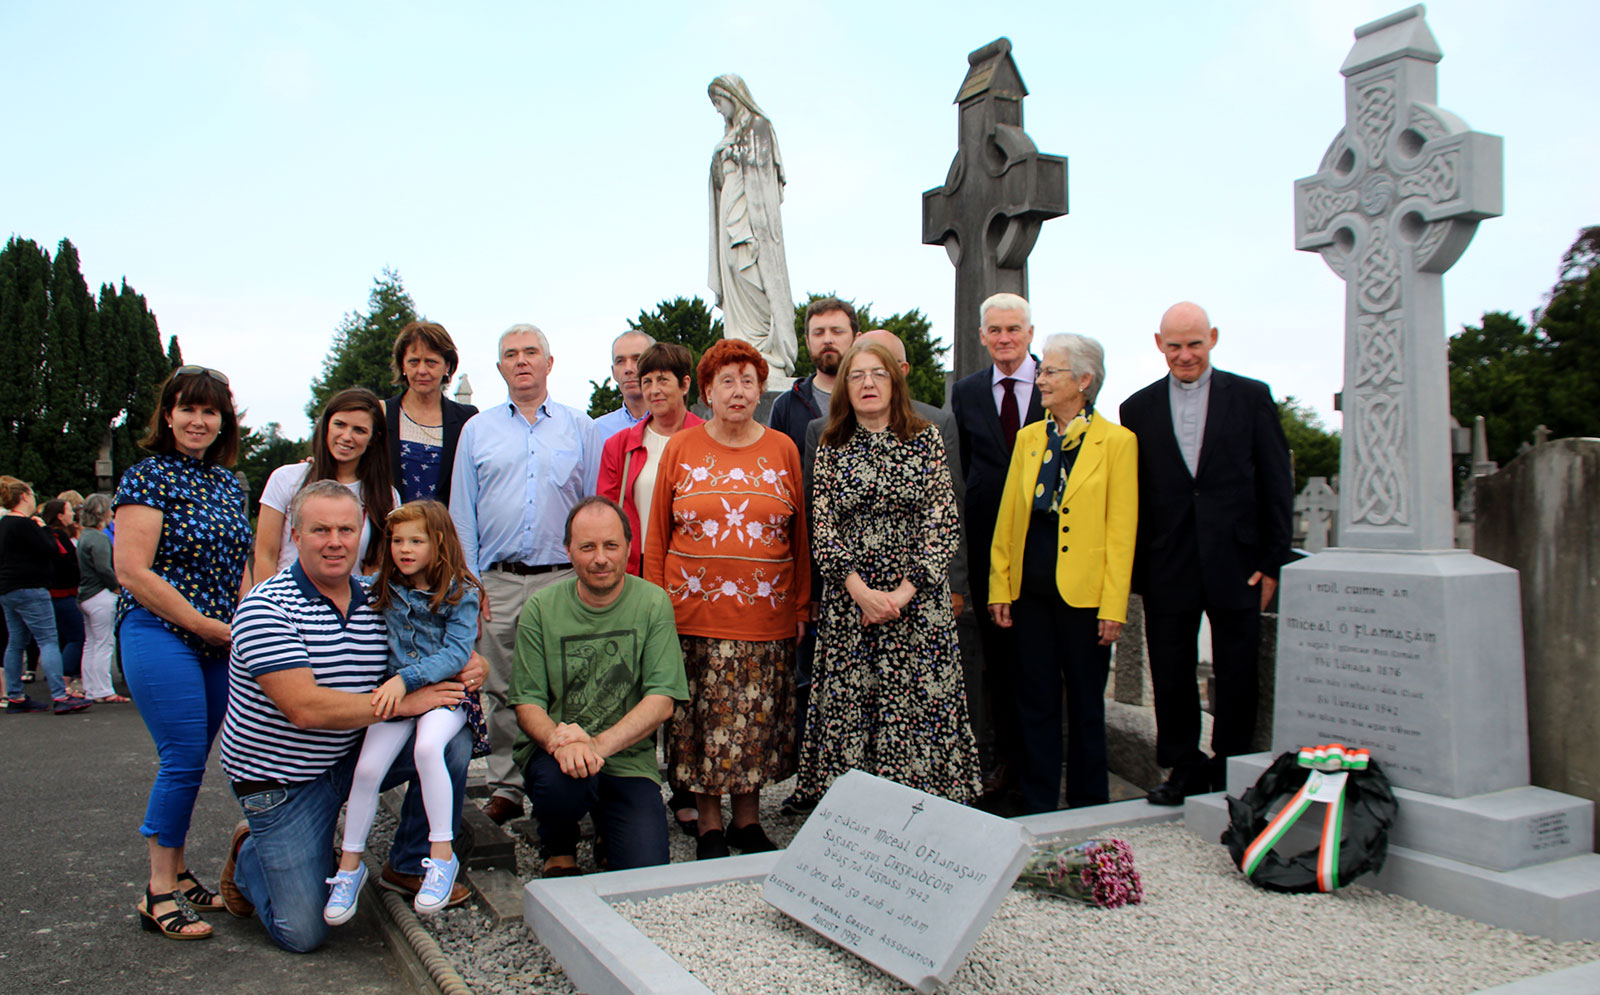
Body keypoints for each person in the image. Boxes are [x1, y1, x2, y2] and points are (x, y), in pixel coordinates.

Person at [216, 481, 486, 952]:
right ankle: (250, 854)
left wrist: (469, 663)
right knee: (302, 931)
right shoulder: (265, 607)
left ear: (362, 532)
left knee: (449, 742)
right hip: (283, 783)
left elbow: (433, 635)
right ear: (295, 536)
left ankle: (410, 860)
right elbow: (304, 708)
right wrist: (403, 701)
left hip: (347, 754)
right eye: (320, 530)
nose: (335, 541)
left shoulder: (379, 594)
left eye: (346, 528)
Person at [1119, 302, 1293, 805]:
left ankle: (1231, 766)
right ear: (1159, 344)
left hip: (1236, 560)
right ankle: (1182, 766)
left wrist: (1272, 559)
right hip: (1167, 559)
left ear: (1212, 338)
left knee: (1237, 667)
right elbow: (1137, 491)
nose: (1185, 354)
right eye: (1174, 345)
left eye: (1194, 343)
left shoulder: (1251, 397)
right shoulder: (1138, 408)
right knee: (1171, 668)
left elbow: (1275, 480)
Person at [643, 339, 810, 860]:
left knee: (755, 720)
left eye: (747, 380)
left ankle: (748, 821)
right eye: (726, 381)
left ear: (761, 390)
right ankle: (709, 825)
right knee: (699, 724)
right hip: (691, 613)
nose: (738, 391)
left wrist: (802, 605)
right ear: (707, 391)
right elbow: (657, 536)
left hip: (767, 612)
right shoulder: (680, 449)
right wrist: (653, 610)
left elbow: (800, 536)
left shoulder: (783, 448)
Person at [800, 341, 980, 803]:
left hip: (917, 606)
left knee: (918, 707)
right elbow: (822, 528)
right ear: (845, 386)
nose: (867, 384)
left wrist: (901, 595)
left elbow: (942, 520)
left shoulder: (925, 439)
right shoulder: (830, 445)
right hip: (851, 604)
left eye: (878, 374)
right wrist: (861, 592)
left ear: (895, 381)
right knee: (854, 707)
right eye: (857, 375)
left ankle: (923, 811)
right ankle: (855, 813)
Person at [114, 365, 252, 939]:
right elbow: (131, 569)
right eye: (187, 409)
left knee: (197, 758)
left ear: (223, 421)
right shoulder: (145, 478)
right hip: (158, 630)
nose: (199, 420)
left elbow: (239, 569)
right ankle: (157, 891)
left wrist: (246, 621)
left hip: (218, 640)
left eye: (210, 411)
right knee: (184, 755)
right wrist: (202, 623)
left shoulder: (227, 483)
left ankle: (178, 869)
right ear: (167, 414)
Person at [450, 323, 604, 825]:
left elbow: (595, 509)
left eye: (530, 352)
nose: (521, 361)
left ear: (549, 363)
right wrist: (471, 584)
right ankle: (507, 787)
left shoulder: (580, 429)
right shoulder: (478, 431)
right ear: (499, 368)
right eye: (510, 354)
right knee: (501, 687)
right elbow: (462, 513)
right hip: (496, 580)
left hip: (563, 579)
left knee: (568, 682)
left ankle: (565, 778)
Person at [988, 334, 1138, 812]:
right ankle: (1037, 802)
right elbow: (1009, 517)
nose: (1042, 379)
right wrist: (1000, 587)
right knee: (1036, 703)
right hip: (1030, 593)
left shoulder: (1118, 443)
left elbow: (1122, 531)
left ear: (1084, 380)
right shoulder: (1030, 439)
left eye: (1051, 371)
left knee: (1087, 707)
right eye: (1043, 371)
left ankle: (1089, 802)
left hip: (1086, 599)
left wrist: (1114, 605)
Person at [325, 500, 485, 923]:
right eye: (398, 540)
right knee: (367, 769)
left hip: (444, 694)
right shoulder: (384, 586)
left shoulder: (461, 591)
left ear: (440, 543)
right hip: (399, 697)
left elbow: (456, 652)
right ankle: (349, 866)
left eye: (417, 540)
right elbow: (345, 582)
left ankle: (440, 856)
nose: (405, 549)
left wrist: (405, 680)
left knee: (429, 749)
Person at [510, 497, 688, 875]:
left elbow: (662, 701)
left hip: (625, 759)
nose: (600, 558)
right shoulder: (541, 608)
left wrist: (593, 745)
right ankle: (558, 845)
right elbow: (527, 703)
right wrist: (565, 743)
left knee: (646, 870)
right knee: (560, 785)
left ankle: (608, 828)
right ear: (568, 550)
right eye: (587, 547)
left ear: (628, 546)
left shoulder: (653, 603)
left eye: (611, 546)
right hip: (557, 756)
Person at [948, 292, 1044, 808]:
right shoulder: (965, 392)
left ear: (1030, 333)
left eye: (1014, 329)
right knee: (997, 667)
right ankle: (1003, 767)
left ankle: (1043, 766)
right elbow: (958, 476)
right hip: (986, 548)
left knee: (1040, 662)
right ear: (982, 337)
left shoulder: (1058, 383)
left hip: (1047, 549)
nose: (1005, 339)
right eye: (995, 331)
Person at [252, 387, 397, 587]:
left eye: (359, 430)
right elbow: (265, 555)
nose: (347, 436)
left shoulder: (386, 496)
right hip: (286, 606)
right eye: (340, 424)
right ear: (326, 425)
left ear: (373, 438)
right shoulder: (286, 479)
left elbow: (379, 567)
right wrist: (268, 609)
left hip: (351, 610)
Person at [707, 73, 796, 376]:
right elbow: (717, 179)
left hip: (751, 212)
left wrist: (733, 154)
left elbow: (763, 175)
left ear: (734, 97)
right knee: (733, 267)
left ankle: (764, 350)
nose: (718, 109)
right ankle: (741, 345)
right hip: (729, 206)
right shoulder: (730, 133)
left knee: (751, 271)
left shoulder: (758, 127)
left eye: (720, 102)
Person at [597, 343, 705, 577]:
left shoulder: (708, 439)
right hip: (637, 569)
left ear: (685, 384)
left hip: (695, 567)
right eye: (647, 382)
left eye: (663, 380)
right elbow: (606, 514)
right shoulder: (620, 445)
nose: (654, 390)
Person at [1, 477, 89, 715]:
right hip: (32, 587)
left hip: (8, 587)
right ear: (25, 496)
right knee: (48, 639)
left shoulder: (4, 524)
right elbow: (51, 550)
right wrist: (42, 529)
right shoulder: (27, 525)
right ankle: (60, 695)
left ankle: (15, 696)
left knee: (16, 641)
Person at [383, 320, 479, 506]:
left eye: (431, 362)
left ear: (447, 367)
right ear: (403, 366)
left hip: (444, 531)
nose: (422, 370)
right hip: (390, 531)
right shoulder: (382, 413)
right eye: (414, 362)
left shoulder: (466, 419)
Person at [767, 297, 858, 451]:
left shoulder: (872, 398)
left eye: (837, 332)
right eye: (818, 333)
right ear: (808, 342)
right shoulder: (785, 406)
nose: (827, 340)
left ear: (856, 339)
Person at [76, 494, 129, 703]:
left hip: (86, 595)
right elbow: (104, 568)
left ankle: (92, 687)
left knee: (91, 644)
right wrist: (117, 586)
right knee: (104, 644)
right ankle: (103, 690)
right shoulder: (98, 538)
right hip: (100, 595)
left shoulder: (85, 536)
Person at [40, 499, 87, 697]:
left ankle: (60, 679)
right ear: (60, 515)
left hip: (56, 593)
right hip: (62, 593)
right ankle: (64, 679)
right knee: (77, 636)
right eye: (69, 511)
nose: (72, 515)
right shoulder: (57, 536)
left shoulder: (50, 535)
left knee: (59, 639)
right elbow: (65, 566)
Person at [592, 330, 656, 439]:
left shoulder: (678, 426)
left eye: (637, 359)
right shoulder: (597, 430)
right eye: (620, 361)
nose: (628, 369)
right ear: (613, 372)